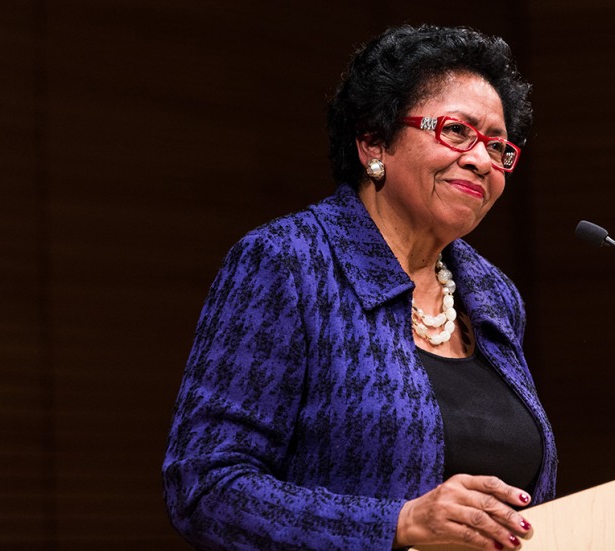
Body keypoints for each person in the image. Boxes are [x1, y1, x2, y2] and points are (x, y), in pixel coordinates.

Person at [163, 24, 557, 550]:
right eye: (457, 131)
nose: (483, 160)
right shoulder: (289, 262)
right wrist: (398, 523)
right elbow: (205, 485)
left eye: (498, 146)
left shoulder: (493, 295)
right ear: (374, 140)